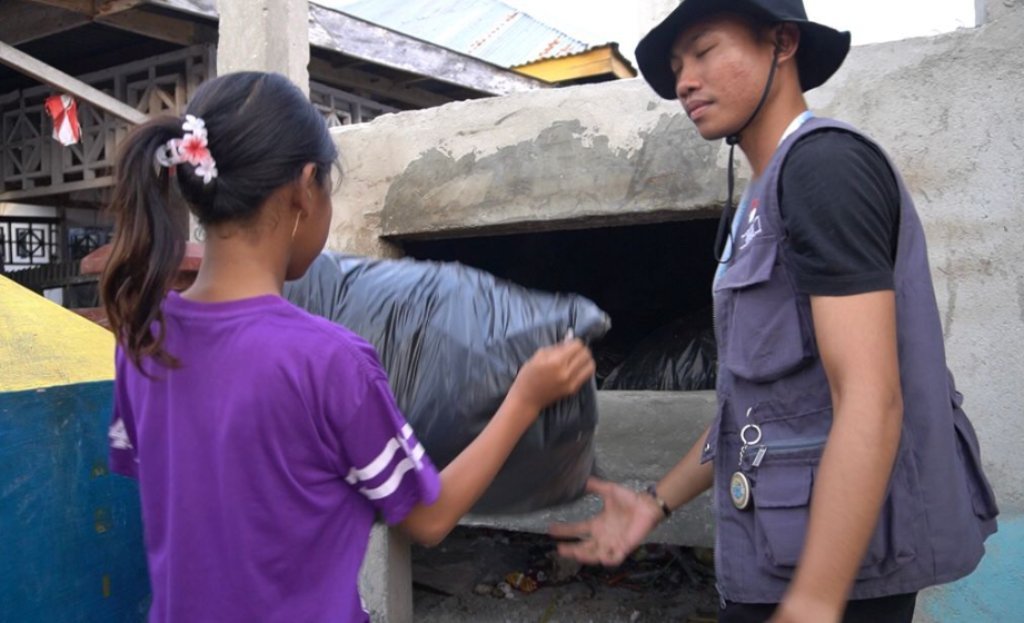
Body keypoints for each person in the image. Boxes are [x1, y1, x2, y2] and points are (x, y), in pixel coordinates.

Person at [550, 2, 998, 622]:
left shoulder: (823, 169)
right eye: (678, 66)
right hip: (785, 554)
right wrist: (655, 502)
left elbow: (870, 397)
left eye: (704, 52)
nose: (684, 81)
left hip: (843, 573)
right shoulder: (764, 197)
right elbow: (758, 411)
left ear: (781, 43)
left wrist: (815, 599)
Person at [101, 71, 596, 623]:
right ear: (304, 189)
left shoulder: (144, 339)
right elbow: (428, 520)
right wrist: (525, 398)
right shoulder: (330, 361)